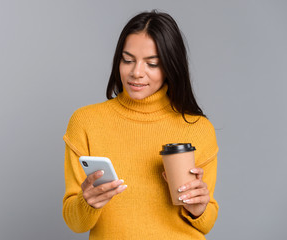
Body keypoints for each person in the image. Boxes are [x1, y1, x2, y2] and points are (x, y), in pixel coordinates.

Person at [63, 10, 219, 239]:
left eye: (152, 64)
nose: (136, 72)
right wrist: (87, 203)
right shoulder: (86, 122)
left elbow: (206, 223)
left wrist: (199, 209)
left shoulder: (199, 128)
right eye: (127, 60)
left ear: (170, 66)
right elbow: (75, 223)